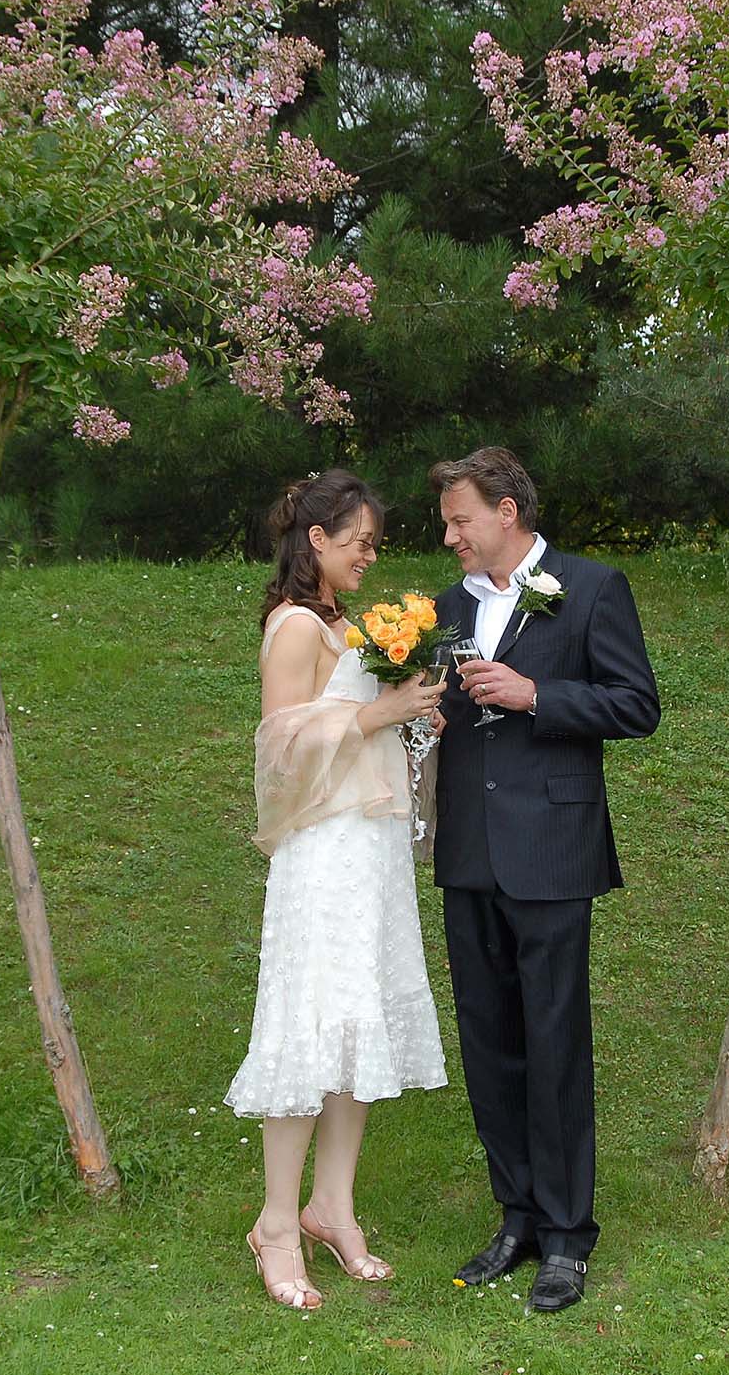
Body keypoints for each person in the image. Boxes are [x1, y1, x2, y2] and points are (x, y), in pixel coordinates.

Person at [429, 447, 660, 1313]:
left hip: (554, 850)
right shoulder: (449, 608)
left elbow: (637, 705)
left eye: (460, 519)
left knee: (555, 1044)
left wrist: (537, 695)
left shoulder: (592, 587)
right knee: (489, 1043)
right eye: (448, 522)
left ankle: (567, 1237)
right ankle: (516, 1217)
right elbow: (451, 718)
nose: (450, 535)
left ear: (507, 511)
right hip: (469, 852)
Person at [224, 469, 447, 1310]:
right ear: (314, 539)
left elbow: (363, 729)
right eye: (356, 540)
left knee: (361, 1027)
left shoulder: (348, 628)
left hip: (371, 852)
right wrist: (373, 715)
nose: (368, 554)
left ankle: (332, 1207)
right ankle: (277, 1225)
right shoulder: (292, 628)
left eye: (375, 544)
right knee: (312, 1026)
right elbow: (279, 748)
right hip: (321, 856)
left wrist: (414, 712)